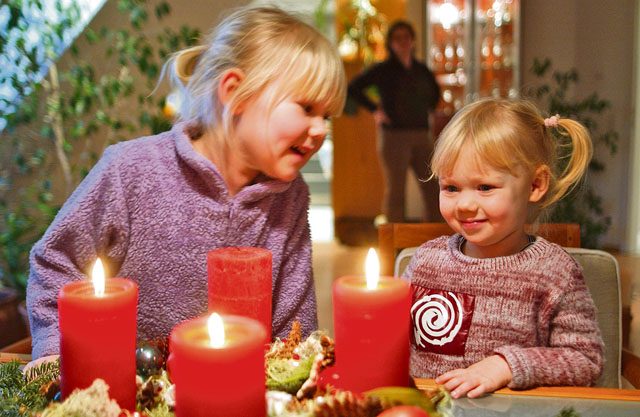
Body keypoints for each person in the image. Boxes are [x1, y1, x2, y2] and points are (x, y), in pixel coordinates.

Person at [26, 6, 346, 361]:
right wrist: (55, 356)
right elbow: (54, 263)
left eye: (327, 115)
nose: (321, 130)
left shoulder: (290, 197)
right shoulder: (130, 170)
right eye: (306, 108)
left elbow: (294, 325)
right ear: (235, 93)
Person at [403, 98, 604, 398]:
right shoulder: (425, 262)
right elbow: (388, 330)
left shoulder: (555, 272)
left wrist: (508, 365)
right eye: (451, 188)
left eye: (485, 187)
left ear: (535, 185)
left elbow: (586, 361)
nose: (466, 205)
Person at [347, 20, 441, 223]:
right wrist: (375, 110)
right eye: (398, 38)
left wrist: (428, 111)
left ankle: (434, 238)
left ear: (412, 40)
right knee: (396, 190)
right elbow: (353, 88)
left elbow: (435, 93)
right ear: (391, 42)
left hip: (421, 135)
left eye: (406, 37)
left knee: (432, 186)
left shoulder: (421, 69)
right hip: (394, 136)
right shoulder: (383, 69)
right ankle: (395, 243)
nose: (403, 42)